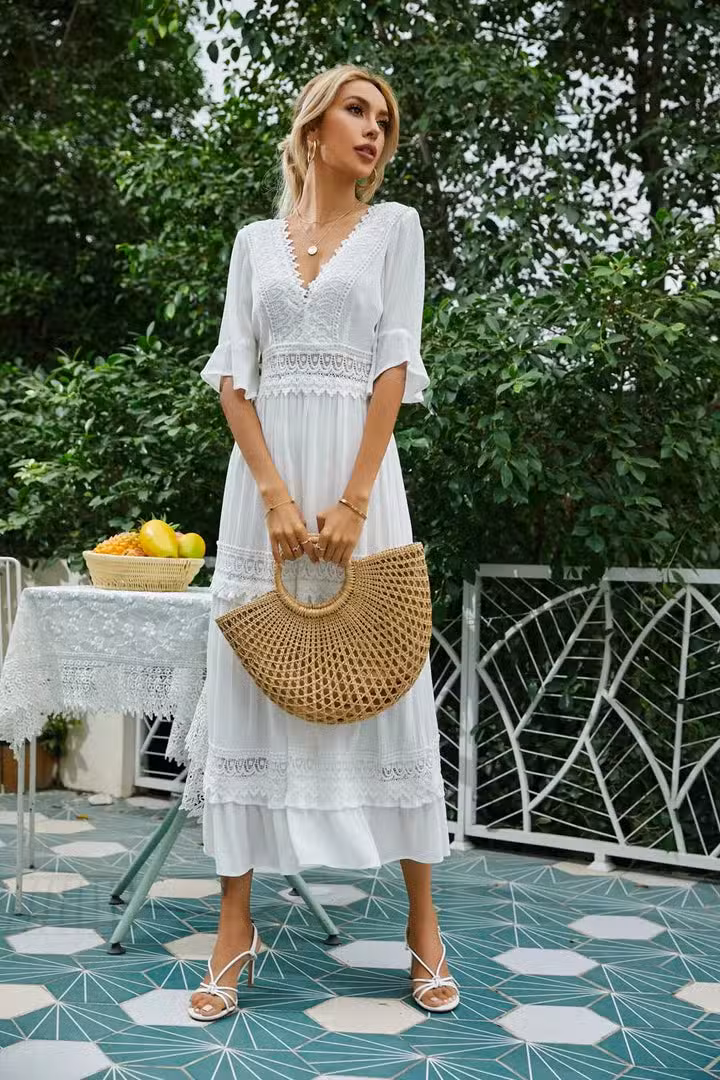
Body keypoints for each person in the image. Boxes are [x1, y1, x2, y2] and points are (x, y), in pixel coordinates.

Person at [185, 62, 459, 1021]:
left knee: (386, 676)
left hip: (359, 484)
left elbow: (394, 367)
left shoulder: (396, 229)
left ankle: (423, 925)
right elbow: (234, 375)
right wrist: (271, 494)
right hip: (263, 491)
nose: (374, 130)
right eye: (357, 110)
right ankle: (234, 926)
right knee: (249, 683)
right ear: (313, 129)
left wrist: (351, 500)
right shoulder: (253, 243)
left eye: (384, 118)